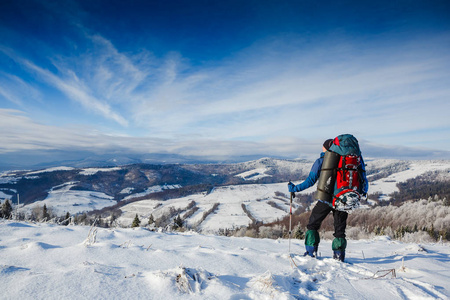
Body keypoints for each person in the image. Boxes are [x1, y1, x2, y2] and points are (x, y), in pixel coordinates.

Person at [288, 137, 368, 262]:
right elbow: (364, 179)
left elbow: (310, 181)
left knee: (312, 225)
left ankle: (310, 253)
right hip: (343, 198)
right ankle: (339, 257)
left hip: (326, 199)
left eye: (323, 146)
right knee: (340, 230)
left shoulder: (322, 161)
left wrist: (294, 189)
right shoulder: (353, 160)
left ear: (326, 148)